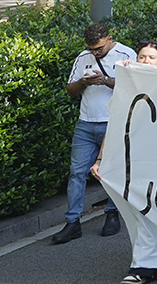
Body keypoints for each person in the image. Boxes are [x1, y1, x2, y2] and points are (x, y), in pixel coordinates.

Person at [48, 23, 134, 246]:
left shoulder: (125, 54)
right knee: (76, 172)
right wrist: (83, 82)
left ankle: (112, 214)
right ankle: (72, 222)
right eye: (91, 49)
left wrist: (105, 80)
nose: (95, 53)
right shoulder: (83, 57)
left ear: (109, 38)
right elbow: (70, 89)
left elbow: (133, 87)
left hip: (112, 122)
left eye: (99, 49)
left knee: (110, 172)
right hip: (85, 122)